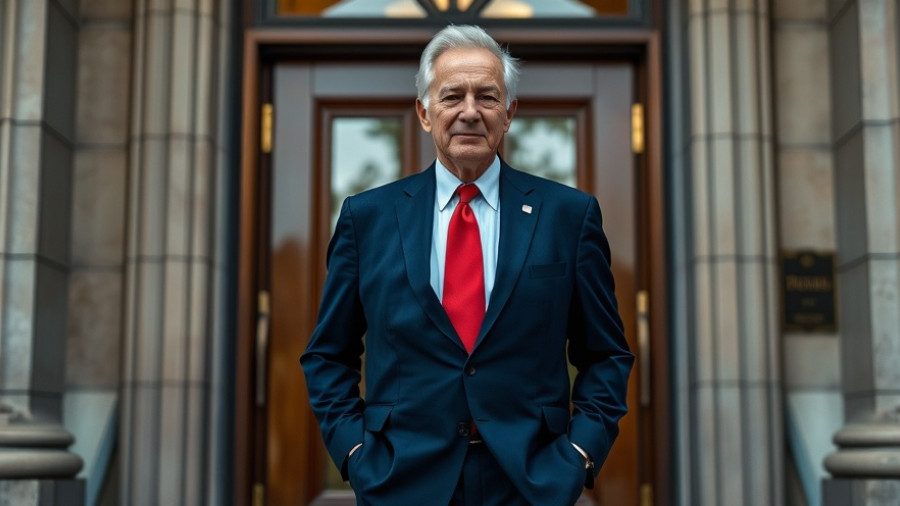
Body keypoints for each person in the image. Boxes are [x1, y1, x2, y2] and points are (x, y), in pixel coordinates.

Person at [300, 24, 633, 506]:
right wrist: (356, 454)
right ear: (424, 113)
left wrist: (578, 456)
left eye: (488, 97)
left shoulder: (568, 216)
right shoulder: (366, 218)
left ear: (509, 113)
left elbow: (606, 355)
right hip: (401, 483)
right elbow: (328, 355)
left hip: (530, 484)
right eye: (452, 96)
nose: (470, 111)